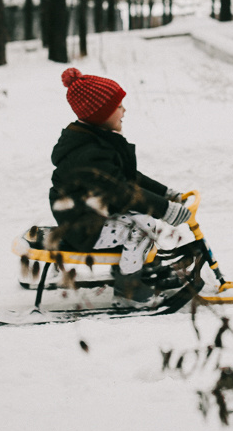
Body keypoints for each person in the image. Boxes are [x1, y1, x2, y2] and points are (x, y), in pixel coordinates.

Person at [48, 67, 192, 303]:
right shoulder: (88, 153)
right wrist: (166, 210)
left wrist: (166, 194)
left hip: (93, 216)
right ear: (100, 114)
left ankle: (144, 271)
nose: (124, 111)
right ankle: (129, 289)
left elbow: (129, 177)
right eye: (118, 106)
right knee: (141, 226)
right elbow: (121, 192)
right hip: (82, 227)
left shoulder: (97, 140)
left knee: (140, 219)